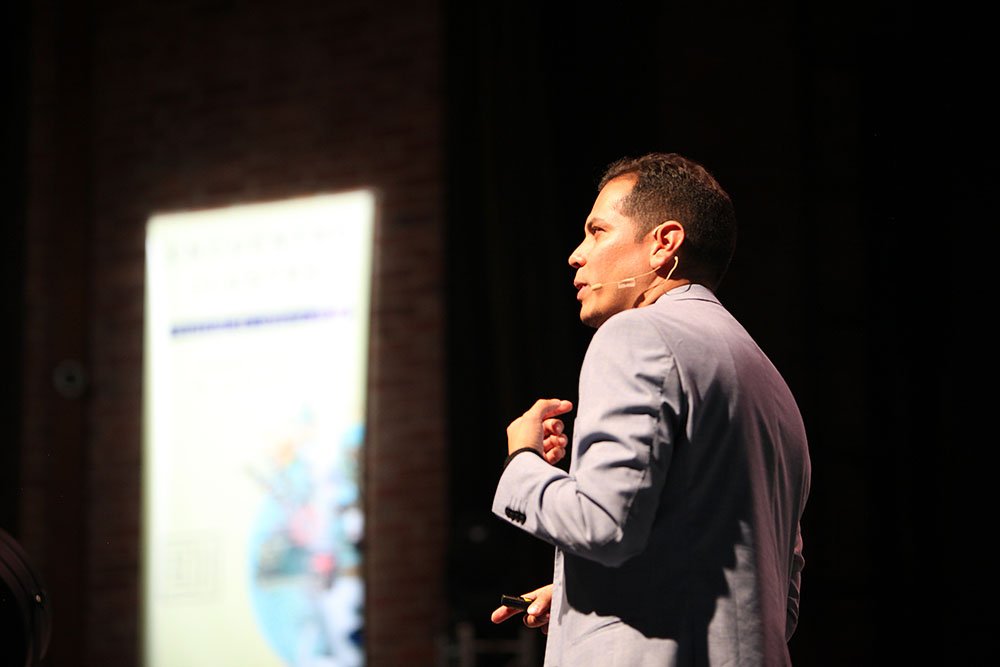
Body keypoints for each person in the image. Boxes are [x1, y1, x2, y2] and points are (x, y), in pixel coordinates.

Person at [490, 152, 811, 666]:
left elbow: (603, 524)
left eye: (597, 232)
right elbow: (776, 602)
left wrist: (521, 461)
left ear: (663, 243)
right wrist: (578, 598)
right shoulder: (772, 385)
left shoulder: (637, 333)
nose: (576, 255)